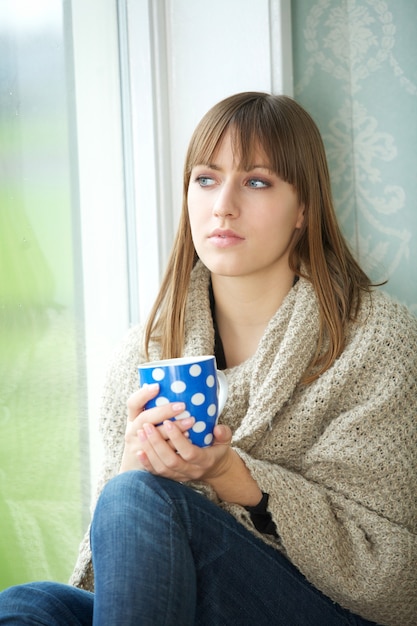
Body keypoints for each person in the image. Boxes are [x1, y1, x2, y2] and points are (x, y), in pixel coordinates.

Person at [0, 92, 416, 626]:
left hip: (324, 612)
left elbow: (395, 577)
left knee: (135, 500)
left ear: (304, 208)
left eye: (257, 181)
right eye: (206, 179)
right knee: (28, 606)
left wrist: (230, 475)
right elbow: (116, 585)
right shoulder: (145, 352)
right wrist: (135, 467)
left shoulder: (373, 340)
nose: (223, 204)